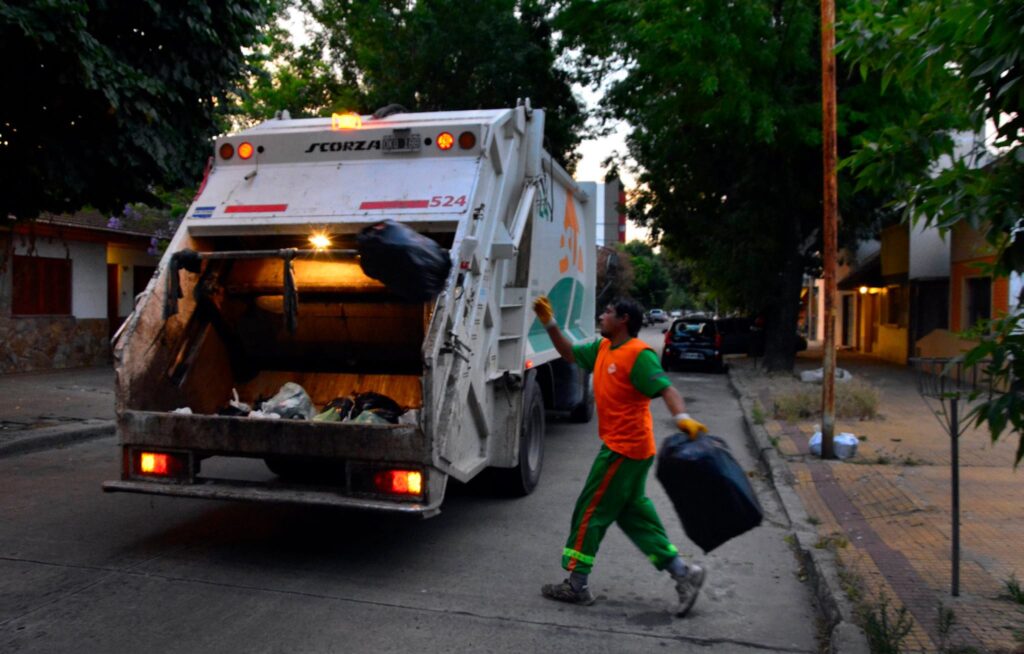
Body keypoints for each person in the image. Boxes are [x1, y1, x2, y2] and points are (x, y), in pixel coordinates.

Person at [533, 296, 708, 617]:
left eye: (608, 313)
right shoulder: (602, 349)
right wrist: (550, 323)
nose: (601, 316)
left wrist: (682, 418)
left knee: (590, 511)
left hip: (623, 450)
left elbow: (666, 388)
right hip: (627, 449)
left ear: (624, 319)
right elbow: (568, 353)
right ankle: (684, 573)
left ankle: (576, 585)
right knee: (633, 517)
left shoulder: (637, 355)